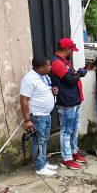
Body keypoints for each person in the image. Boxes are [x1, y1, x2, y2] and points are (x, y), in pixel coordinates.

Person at [50, 38, 86, 170]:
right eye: (72, 50)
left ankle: (74, 151)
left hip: (73, 101)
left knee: (74, 128)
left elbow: (72, 77)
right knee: (66, 131)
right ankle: (67, 158)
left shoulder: (65, 62)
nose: (72, 52)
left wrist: (79, 72)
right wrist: (80, 73)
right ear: (67, 49)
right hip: (67, 102)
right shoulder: (57, 63)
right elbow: (70, 80)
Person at [20, 56, 58, 176]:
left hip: (46, 114)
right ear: (41, 68)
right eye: (48, 66)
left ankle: (43, 162)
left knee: (44, 139)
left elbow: (42, 92)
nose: (50, 67)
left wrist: (53, 92)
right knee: (38, 141)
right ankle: (39, 167)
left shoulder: (43, 76)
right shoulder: (29, 79)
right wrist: (27, 120)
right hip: (37, 116)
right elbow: (24, 100)